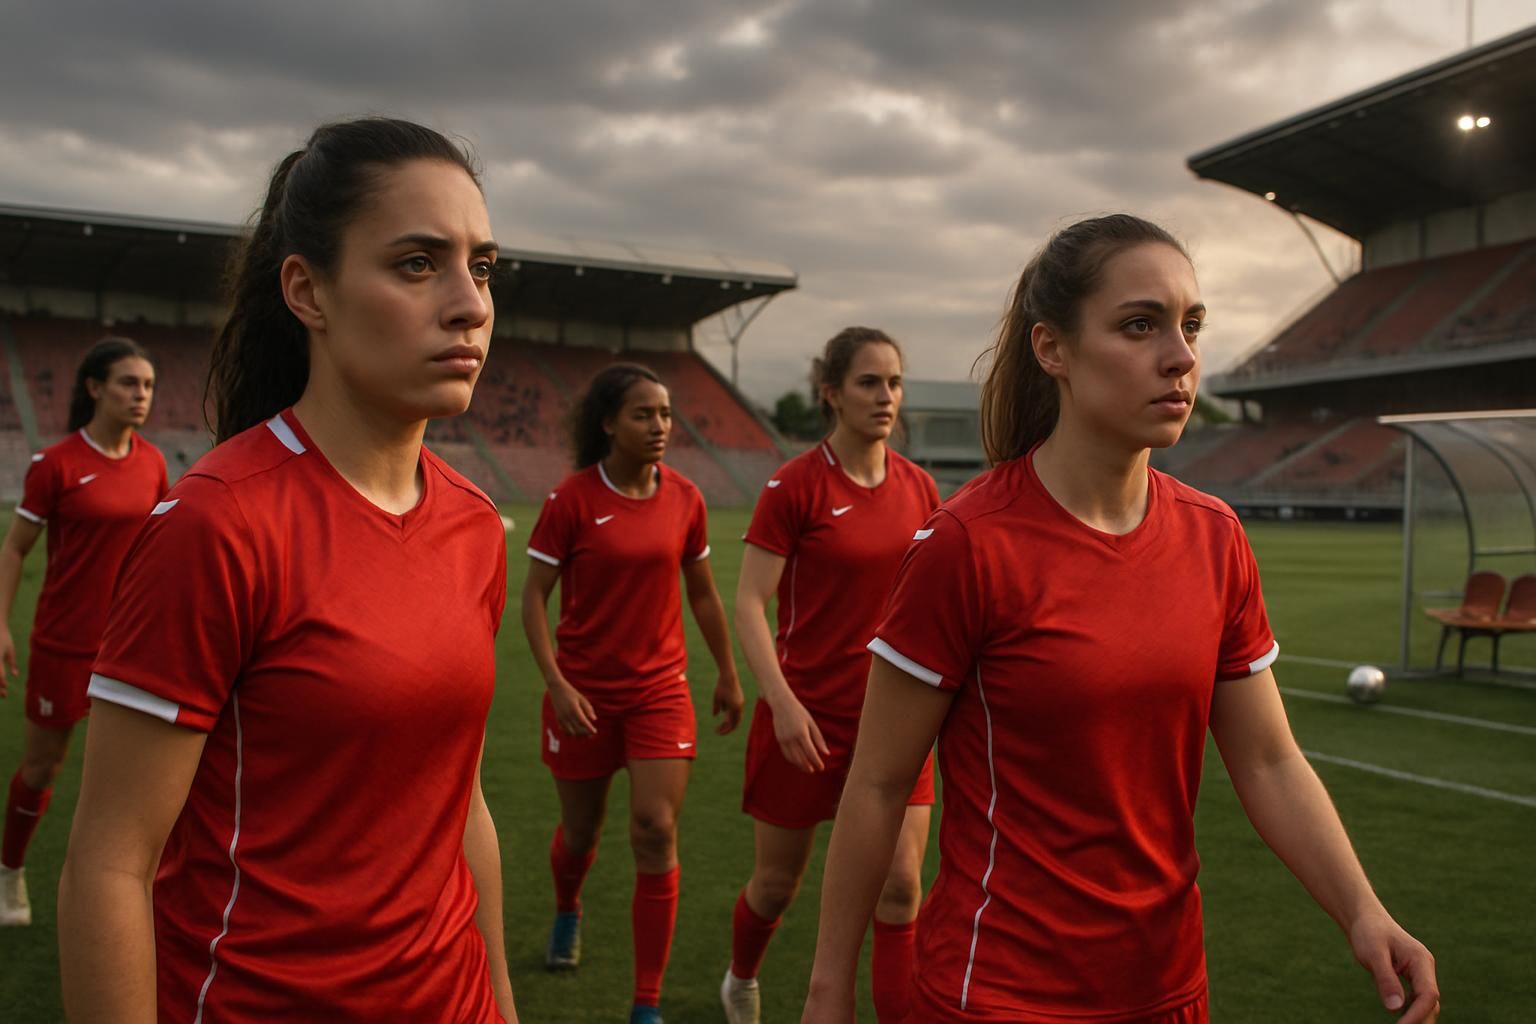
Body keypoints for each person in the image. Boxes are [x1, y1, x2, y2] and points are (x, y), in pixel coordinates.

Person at [801, 214, 1440, 1024]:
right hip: (996, 996)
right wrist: (828, 989)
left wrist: (1363, 910)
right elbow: (880, 782)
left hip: (1168, 993)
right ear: (1052, 350)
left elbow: (1270, 762)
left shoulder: (1215, 538)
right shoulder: (966, 545)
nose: (1180, 356)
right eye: (1140, 325)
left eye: (1191, 325)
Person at [56, 117, 518, 1023]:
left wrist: (499, 1002)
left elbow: (458, 801)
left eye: (484, 266)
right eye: (418, 264)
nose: (470, 303)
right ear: (308, 290)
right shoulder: (216, 525)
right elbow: (110, 864)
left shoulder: (472, 524)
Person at [720, 328, 939, 1024]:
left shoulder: (921, 488)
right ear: (831, 394)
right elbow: (749, 602)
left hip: (894, 724)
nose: (885, 397)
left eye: (894, 383)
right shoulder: (795, 486)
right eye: (869, 382)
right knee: (778, 884)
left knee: (901, 888)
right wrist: (780, 704)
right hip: (804, 720)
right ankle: (742, 978)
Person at [522, 362, 743, 1024]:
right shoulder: (571, 500)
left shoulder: (685, 498)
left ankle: (646, 1001)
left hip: (659, 693)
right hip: (582, 698)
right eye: (644, 414)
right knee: (580, 834)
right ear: (609, 422)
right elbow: (533, 599)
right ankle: (568, 906)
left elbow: (701, 593)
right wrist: (557, 685)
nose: (660, 426)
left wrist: (729, 674)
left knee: (654, 827)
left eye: (667, 414)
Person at [0, 338, 166, 926]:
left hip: (130, 647)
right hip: (63, 645)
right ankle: (10, 875)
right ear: (94, 388)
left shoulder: (153, 463)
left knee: (139, 778)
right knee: (44, 767)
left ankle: (136, 888)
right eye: (128, 383)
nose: (140, 395)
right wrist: (0, 624)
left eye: (147, 385)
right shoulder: (56, 465)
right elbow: (15, 548)